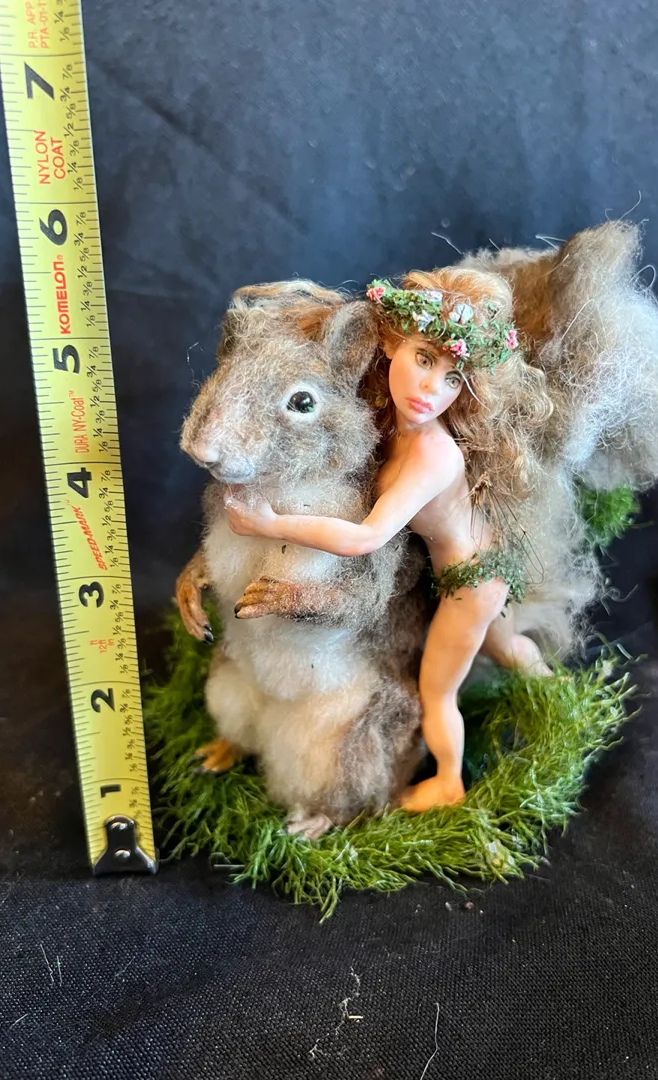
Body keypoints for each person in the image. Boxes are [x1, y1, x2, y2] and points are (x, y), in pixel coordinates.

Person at [224, 268, 553, 811]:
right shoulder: (389, 416)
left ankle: (448, 782)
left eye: (452, 378)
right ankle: (549, 688)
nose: (431, 390)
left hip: (471, 583)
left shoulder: (433, 456)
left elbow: (366, 537)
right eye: (424, 359)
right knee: (505, 645)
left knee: (437, 690)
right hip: (480, 561)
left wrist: (268, 524)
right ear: (392, 343)